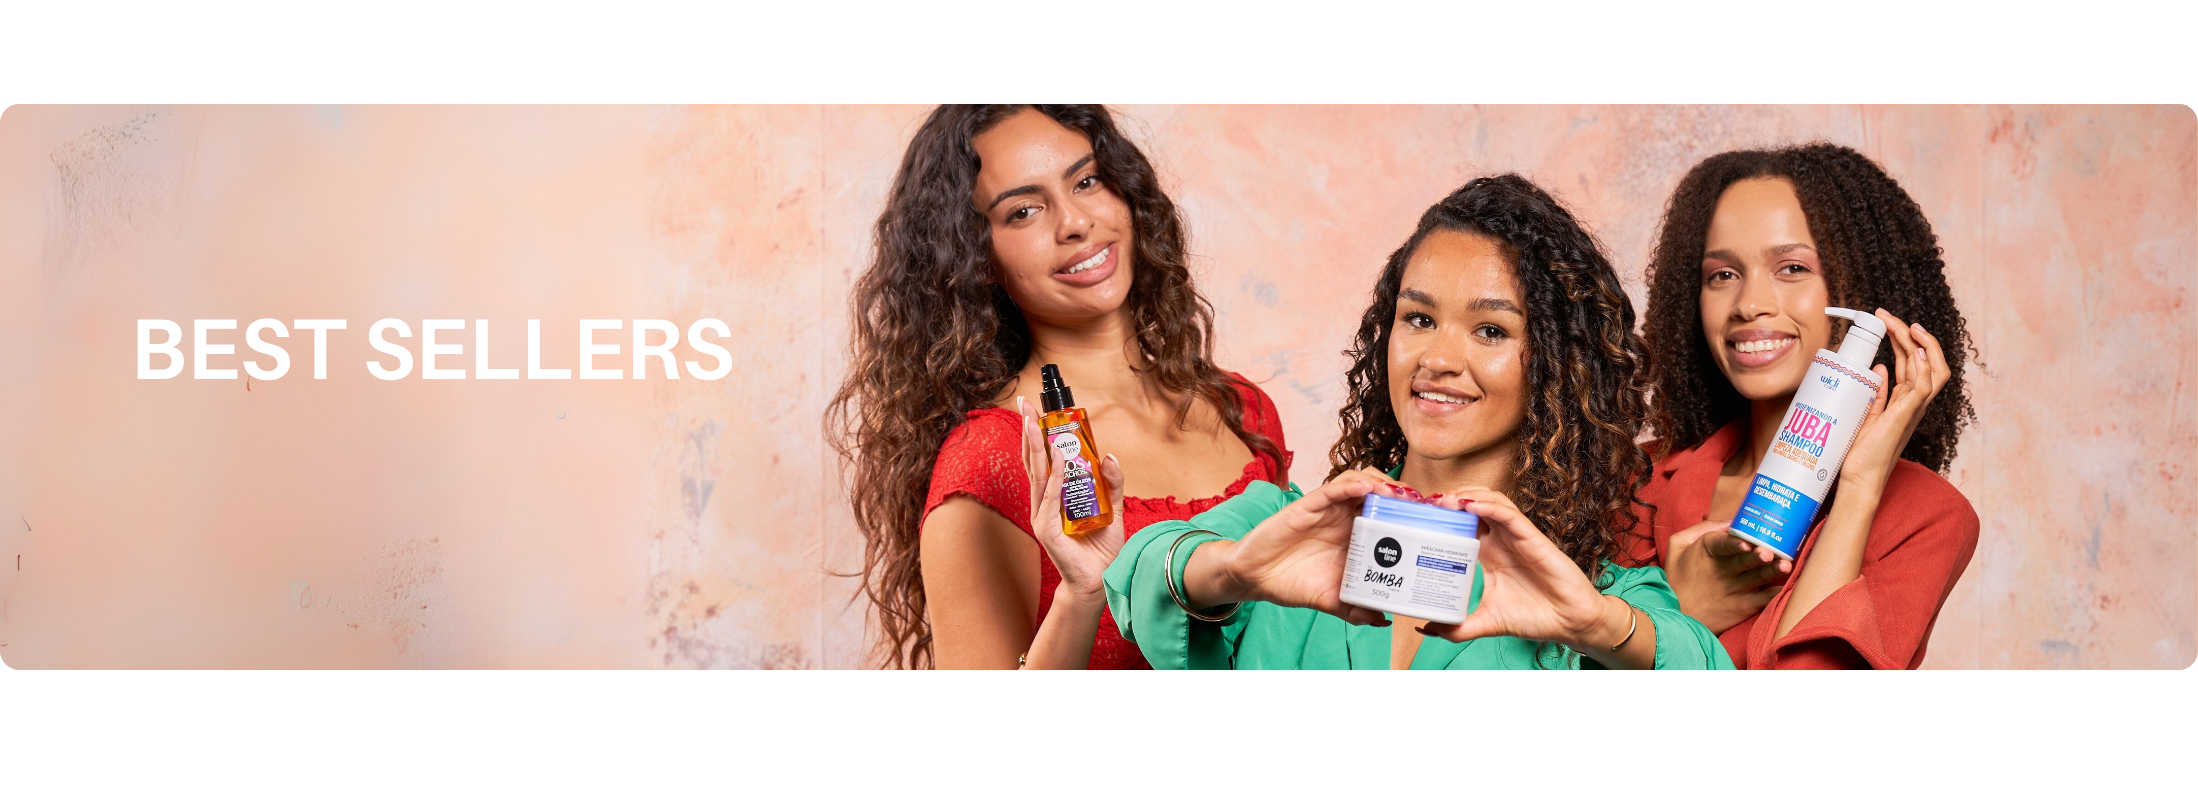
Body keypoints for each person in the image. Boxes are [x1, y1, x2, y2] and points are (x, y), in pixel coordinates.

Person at [1027, 174, 1731, 669]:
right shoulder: (1287, 529)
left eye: (1490, 331)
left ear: (1557, 364)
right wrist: (1237, 571)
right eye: (1418, 318)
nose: (1438, 358)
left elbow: (1701, 673)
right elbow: (1151, 566)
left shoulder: (1593, 593)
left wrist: (1596, 628)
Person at [827, 105, 1289, 669]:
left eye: (1087, 181)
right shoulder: (991, 462)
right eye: (1023, 211)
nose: (1074, 222)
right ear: (975, 258)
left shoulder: (1241, 410)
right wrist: (1082, 596)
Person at [1632, 143, 1980, 669]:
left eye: (1792, 268)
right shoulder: (1633, 479)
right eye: (1721, 275)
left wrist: (1860, 487)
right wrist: (1680, 614)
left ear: (1861, 285)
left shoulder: (1927, 518)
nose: (1749, 304)